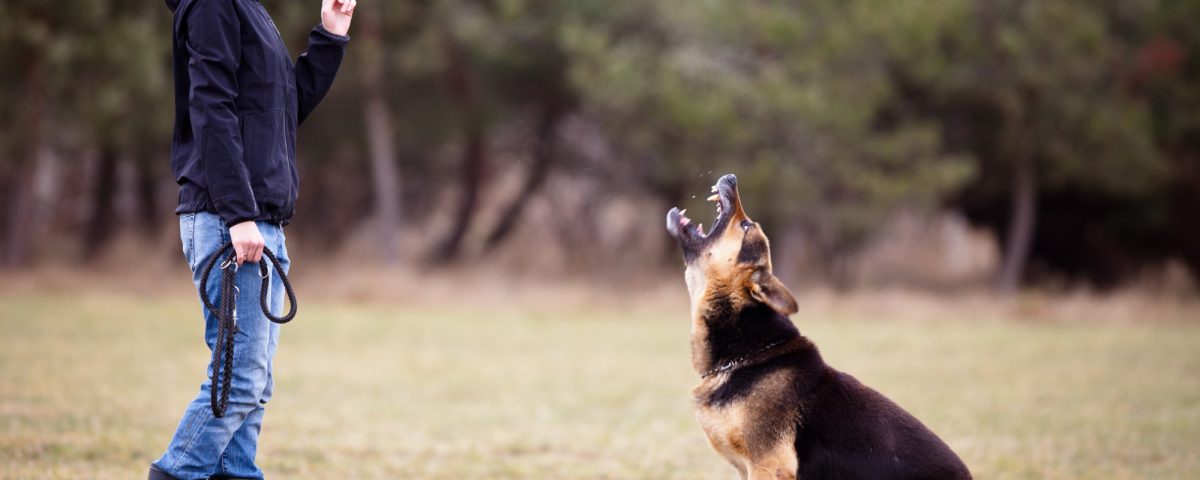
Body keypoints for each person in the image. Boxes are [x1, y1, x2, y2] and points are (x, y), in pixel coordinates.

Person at [150, 1, 354, 479]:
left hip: (257, 222)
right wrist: (239, 214)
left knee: (253, 386)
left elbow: (282, 109)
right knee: (239, 382)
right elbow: (210, 107)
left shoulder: (248, 10)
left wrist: (330, 35)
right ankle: (174, 474)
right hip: (232, 221)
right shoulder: (214, 5)